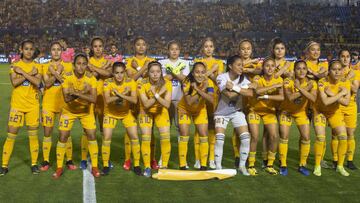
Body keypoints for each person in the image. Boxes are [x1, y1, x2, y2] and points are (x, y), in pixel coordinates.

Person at [52, 53, 100, 178]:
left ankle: (94, 166)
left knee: (91, 135)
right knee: (63, 136)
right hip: (69, 111)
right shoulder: (66, 77)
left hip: (86, 112)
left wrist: (76, 93)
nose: (81, 67)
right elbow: (67, 99)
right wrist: (84, 92)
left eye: (84, 64)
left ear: (87, 65)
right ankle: (58, 168)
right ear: (74, 65)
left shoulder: (91, 78)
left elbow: (94, 99)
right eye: (78, 64)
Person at [0, 39, 42, 176]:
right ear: (21, 50)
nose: (29, 51)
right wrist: (30, 74)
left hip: (32, 106)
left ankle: (34, 164)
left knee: (33, 135)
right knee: (11, 135)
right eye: (26, 49)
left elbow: (37, 82)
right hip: (17, 105)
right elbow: (14, 82)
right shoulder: (14, 65)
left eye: (31, 49)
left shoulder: (38, 66)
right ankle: (4, 165)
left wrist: (23, 73)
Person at [40, 41, 76, 171]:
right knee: (47, 133)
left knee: (66, 133)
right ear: (50, 51)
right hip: (48, 104)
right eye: (53, 49)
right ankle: (45, 161)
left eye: (58, 49)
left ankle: (69, 160)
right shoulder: (44, 66)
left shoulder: (68, 66)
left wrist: (55, 72)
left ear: (62, 51)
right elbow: (47, 84)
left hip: (64, 104)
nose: (56, 52)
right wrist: (57, 73)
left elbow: (68, 82)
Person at [214, 55, 252, 176]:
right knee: (220, 139)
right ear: (230, 66)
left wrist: (235, 87)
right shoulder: (221, 77)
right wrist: (243, 89)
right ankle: (218, 167)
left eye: (242, 65)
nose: (242, 67)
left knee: (246, 139)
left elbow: (250, 93)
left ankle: (242, 166)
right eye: (239, 65)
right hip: (221, 113)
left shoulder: (243, 78)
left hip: (237, 111)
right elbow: (228, 95)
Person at [101, 62, 141, 175]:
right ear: (112, 73)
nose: (119, 75)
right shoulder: (107, 82)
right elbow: (108, 100)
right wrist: (124, 93)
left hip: (125, 113)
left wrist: (120, 95)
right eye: (116, 73)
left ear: (125, 73)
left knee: (134, 136)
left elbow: (134, 100)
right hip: (110, 113)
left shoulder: (131, 82)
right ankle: (105, 165)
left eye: (122, 73)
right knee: (107, 137)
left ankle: (137, 165)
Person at [278, 60, 317, 176]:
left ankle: (302, 165)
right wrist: (305, 89)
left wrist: (300, 88)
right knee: (284, 136)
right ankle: (283, 164)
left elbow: (313, 98)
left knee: (306, 137)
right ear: (294, 71)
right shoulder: (287, 81)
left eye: (304, 68)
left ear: (307, 70)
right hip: (286, 111)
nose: (301, 71)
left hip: (301, 112)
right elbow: (290, 98)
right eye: (298, 68)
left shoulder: (312, 83)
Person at [313, 60, 351, 177]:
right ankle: (317, 166)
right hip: (320, 112)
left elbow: (346, 102)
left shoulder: (346, 83)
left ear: (342, 71)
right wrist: (340, 94)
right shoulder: (322, 82)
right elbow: (325, 102)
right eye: (334, 69)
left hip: (334, 112)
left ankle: (340, 166)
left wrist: (332, 95)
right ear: (329, 71)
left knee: (343, 137)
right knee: (320, 138)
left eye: (339, 69)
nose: (337, 72)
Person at [124, 36, 157, 171]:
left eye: (143, 44)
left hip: (147, 99)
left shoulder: (152, 61)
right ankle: (128, 159)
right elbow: (132, 79)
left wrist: (139, 68)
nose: (141, 47)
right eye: (138, 44)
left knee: (150, 130)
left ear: (146, 46)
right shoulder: (129, 61)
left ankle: (152, 158)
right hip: (133, 98)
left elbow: (153, 77)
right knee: (130, 130)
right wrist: (144, 68)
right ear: (134, 46)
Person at [247, 57, 284, 176]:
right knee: (255, 136)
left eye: (272, 66)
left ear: (275, 68)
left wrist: (267, 97)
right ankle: (251, 164)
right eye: (267, 66)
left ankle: (270, 164)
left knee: (274, 136)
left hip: (269, 111)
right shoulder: (258, 78)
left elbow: (281, 97)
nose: (269, 68)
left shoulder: (279, 79)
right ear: (263, 68)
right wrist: (273, 87)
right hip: (255, 110)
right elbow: (257, 91)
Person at [80, 37, 112, 170]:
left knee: (104, 129)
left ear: (103, 47)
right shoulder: (85, 62)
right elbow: (90, 77)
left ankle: (105, 158)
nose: (98, 49)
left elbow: (108, 74)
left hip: (104, 100)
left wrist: (94, 68)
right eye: (95, 46)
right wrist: (99, 70)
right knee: (87, 129)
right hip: (90, 99)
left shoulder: (108, 62)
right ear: (92, 48)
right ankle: (83, 158)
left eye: (100, 46)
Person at [194, 37, 224, 169]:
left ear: (214, 48)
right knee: (199, 126)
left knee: (212, 126)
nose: (208, 48)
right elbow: (196, 78)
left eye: (211, 46)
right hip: (200, 94)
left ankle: (211, 158)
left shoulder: (219, 63)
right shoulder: (197, 62)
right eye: (206, 46)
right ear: (202, 48)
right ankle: (198, 159)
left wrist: (210, 73)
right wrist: (212, 70)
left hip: (214, 96)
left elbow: (220, 80)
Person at [159, 40, 190, 167]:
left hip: (179, 99)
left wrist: (172, 72)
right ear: (168, 50)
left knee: (179, 128)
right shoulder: (162, 63)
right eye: (172, 49)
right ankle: (163, 158)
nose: (174, 51)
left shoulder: (185, 63)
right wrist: (177, 74)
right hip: (165, 100)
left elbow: (186, 79)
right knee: (165, 130)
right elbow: (160, 79)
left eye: (177, 49)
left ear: (180, 50)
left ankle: (182, 159)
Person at [177, 62, 214, 171]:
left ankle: (203, 165)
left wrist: (198, 90)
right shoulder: (186, 82)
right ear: (193, 73)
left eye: (203, 72)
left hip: (200, 110)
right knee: (184, 134)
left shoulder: (209, 82)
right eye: (197, 72)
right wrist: (202, 90)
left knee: (203, 134)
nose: (200, 75)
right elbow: (189, 102)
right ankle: (182, 165)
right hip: (185, 110)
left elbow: (211, 99)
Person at [138, 61, 172, 177]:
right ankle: (147, 166)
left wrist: (155, 95)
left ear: (161, 72)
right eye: (152, 72)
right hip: (146, 112)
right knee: (146, 138)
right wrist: (158, 95)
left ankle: (165, 166)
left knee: (165, 137)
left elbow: (167, 105)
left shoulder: (167, 83)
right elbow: (146, 104)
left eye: (158, 71)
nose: (155, 74)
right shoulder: (142, 83)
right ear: (148, 72)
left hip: (161, 111)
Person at [337, 50, 359, 170]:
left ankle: (349, 160)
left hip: (351, 106)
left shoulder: (355, 72)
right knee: (336, 134)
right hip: (338, 106)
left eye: (347, 57)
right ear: (339, 58)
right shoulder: (334, 71)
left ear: (350, 59)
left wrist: (345, 78)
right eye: (342, 56)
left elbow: (355, 89)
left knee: (350, 134)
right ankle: (336, 160)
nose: (345, 59)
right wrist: (346, 77)